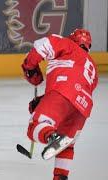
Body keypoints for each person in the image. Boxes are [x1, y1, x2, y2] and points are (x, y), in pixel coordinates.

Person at [21, 29, 98, 180]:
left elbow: (41, 47)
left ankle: (52, 137)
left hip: (63, 92)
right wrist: (43, 101)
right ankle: (61, 176)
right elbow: (76, 90)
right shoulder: (93, 67)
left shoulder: (66, 43)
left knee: (35, 126)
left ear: (73, 38)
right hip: (82, 108)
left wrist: (30, 68)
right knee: (67, 145)